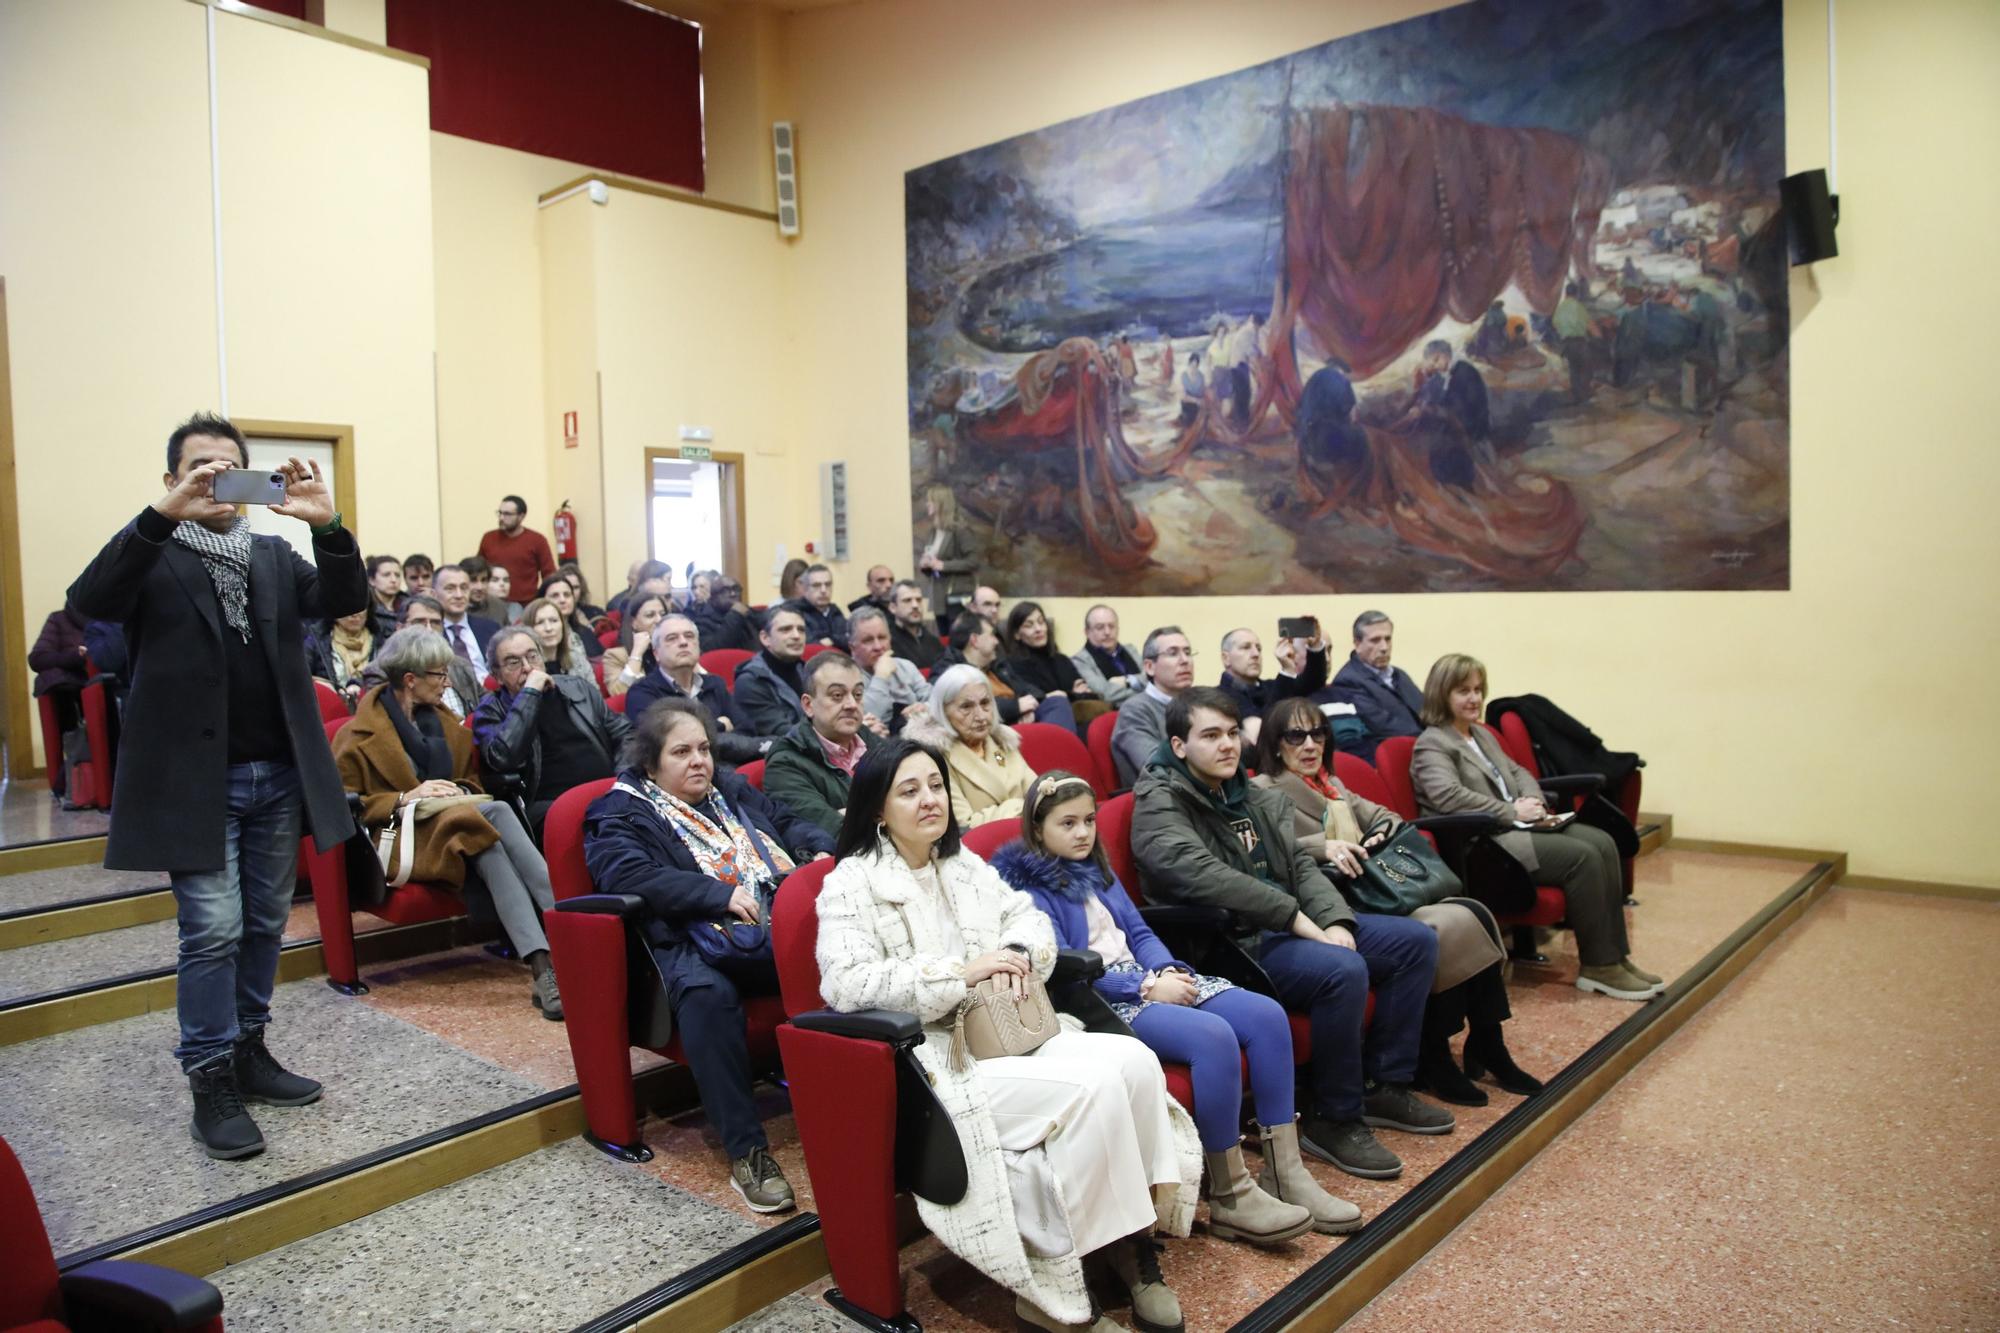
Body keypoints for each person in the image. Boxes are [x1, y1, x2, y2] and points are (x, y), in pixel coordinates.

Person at [816, 738, 1201, 1333]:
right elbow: (845, 983)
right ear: (876, 808)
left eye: (936, 786)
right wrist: (957, 973)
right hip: (933, 1058)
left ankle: (1131, 1243)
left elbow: (1027, 918)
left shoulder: (964, 864)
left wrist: (1017, 953)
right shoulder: (850, 883)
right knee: (1091, 1087)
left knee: (1134, 1062)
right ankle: (1058, 1282)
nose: (929, 800)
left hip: (1005, 1026)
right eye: (909, 790)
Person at [69, 413, 366, 1160]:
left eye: (228, 467)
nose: (215, 480)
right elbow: (91, 602)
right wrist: (158, 521)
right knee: (212, 928)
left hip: (277, 772)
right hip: (193, 782)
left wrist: (327, 527)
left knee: (265, 921)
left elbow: (342, 598)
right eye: (199, 468)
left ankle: (248, 1050)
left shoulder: (269, 553)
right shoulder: (151, 554)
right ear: (172, 480)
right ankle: (210, 1078)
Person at [994, 772, 1356, 1240]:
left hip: (1146, 980)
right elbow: (1064, 966)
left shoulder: (1095, 867)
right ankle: (1230, 1194)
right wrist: (1145, 987)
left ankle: (1285, 1172)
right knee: (1213, 1037)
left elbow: (1139, 933)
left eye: (1089, 820)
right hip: (1100, 1001)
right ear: (1037, 829)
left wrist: (1164, 971)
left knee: (1266, 1017)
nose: (1083, 833)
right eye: (1068, 823)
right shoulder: (1028, 890)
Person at [1133, 687, 1452, 1181]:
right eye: (1210, 735)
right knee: (1342, 970)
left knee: (1414, 943)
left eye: (1233, 733)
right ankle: (1332, 1117)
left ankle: (1384, 1085)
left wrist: (1337, 920)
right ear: (1179, 746)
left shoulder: (1246, 791)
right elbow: (1202, 874)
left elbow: (1300, 864)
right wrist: (1300, 921)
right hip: (1229, 944)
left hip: (1284, 930)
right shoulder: (1159, 800)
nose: (1227, 746)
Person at [584, 698, 833, 1211]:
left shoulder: (731, 789)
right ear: (651, 763)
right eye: (681, 752)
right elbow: (626, 875)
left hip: (766, 925)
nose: (698, 761)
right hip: (685, 938)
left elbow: (786, 822)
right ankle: (748, 1153)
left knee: (845, 951)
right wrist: (715, 893)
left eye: (703, 749)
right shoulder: (620, 809)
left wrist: (818, 850)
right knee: (707, 994)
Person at [1253, 698, 1542, 1105]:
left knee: (1473, 913)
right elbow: (1273, 850)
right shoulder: (1264, 790)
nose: (1309, 745)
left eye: (1318, 734)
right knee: (1442, 928)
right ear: (1275, 742)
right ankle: (1434, 1053)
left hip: (1373, 887)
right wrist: (1324, 845)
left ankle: (1488, 1039)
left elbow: (1388, 817)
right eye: (1296, 736)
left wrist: (1375, 836)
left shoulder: (1331, 785)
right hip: (1334, 898)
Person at [336, 629, 562, 1018]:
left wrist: (453, 790)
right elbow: (346, 806)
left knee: (487, 836)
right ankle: (567, 931)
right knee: (493, 819)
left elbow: (471, 782)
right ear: (411, 680)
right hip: (399, 837)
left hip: (454, 829)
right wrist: (408, 796)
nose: (447, 683)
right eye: (439, 675)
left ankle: (546, 968)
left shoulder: (446, 724)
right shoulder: (355, 735)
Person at [1411, 654, 1661, 1001]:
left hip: (1518, 827)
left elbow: (1518, 772)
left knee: (1603, 842)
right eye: (1463, 691)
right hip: (1484, 842)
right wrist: (1511, 809)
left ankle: (1618, 957)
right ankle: (1599, 966)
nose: (1474, 698)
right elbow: (1449, 798)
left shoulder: (1481, 736)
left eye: (1478, 690)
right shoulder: (1433, 743)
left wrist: (1533, 802)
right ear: (1442, 695)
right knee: (1583, 857)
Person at [473, 626, 631, 835]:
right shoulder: (490, 710)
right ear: (498, 676)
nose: (528, 668)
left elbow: (626, 734)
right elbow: (503, 757)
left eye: (533, 656)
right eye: (514, 662)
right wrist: (530, 693)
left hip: (607, 790)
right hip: (550, 806)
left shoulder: (577, 688)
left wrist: (623, 781)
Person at [624, 614, 770, 765]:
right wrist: (720, 726)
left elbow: (747, 730)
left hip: (730, 766)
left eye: (689, 636)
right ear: (656, 653)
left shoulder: (715, 684)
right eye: (672, 638)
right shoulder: (642, 693)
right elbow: (669, 746)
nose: (683, 642)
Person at [905, 664, 1038, 828]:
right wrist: (1023, 807)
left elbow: (1039, 794)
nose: (981, 716)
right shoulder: (934, 757)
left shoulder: (1002, 740)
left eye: (985, 703)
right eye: (966, 707)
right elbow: (964, 825)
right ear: (943, 711)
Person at [762, 651, 877, 838]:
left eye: (857, 694)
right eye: (837, 695)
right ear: (808, 705)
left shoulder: (871, 740)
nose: (851, 704)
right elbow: (838, 832)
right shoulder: (785, 763)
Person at [934, 612, 1075, 734]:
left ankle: (1058, 756)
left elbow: (1027, 688)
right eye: (992, 635)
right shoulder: (949, 670)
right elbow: (956, 708)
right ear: (975, 640)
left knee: (1056, 702)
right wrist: (1016, 708)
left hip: (1022, 720)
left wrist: (1028, 707)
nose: (997, 641)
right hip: (992, 730)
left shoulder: (997, 665)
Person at [1326, 610, 1425, 762]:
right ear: (1357, 644)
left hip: (1425, 749)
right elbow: (1384, 727)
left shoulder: (1399, 675)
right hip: (1398, 758)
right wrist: (1434, 739)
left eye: (1388, 639)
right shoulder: (1348, 681)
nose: (1384, 647)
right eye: (1375, 640)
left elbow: (1427, 711)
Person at [1108, 626, 1194, 788]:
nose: (1185, 660)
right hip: (1163, 799)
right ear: (1149, 667)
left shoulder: (1200, 704)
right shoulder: (1135, 710)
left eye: (1188, 652)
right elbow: (1157, 767)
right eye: (1173, 653)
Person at [1216, 623, 1328, 742]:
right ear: (1225, 658)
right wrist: (1286, 672)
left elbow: (1313, 682)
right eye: (1245, 647)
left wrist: (1315, 646)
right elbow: (1262, 736)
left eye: (1258, 648)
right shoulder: (1219, 697)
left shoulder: (1272, 685)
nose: (1256, 654)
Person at [1004, 602, 1104, 730]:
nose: (1038, 629)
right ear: (1017, 634)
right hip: (1045, 725)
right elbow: (1035, 700)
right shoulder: (1013, 665)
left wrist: (1064, 694)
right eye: (1029, 625)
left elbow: (1090, 695)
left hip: (1077, 720)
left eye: (1041, 622)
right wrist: (1071, 694)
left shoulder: (1062, 660)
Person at [732, 604, 810, 737]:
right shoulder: (750, 681)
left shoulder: (808, 670)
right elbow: (785, 733)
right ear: (765, 638)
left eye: (801, 630)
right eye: (786, 630)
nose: (797, 636)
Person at [916, 484, 977, 627]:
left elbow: (973, 562)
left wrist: (943, 565)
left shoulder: (961, 530)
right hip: (938, 597)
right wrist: (926, 565)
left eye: (930, 500)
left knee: (957, 637)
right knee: (944, 638)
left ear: (940, 503)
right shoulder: (934, 531)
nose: (927, 504)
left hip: (957, 596)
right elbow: (934, 564)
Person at [478, 495, 557, 601]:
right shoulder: (488, 538)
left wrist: (542, 602)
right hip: (492, 603)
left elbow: (549, 575)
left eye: (507, 514)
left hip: (526, 605)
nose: (501, 518)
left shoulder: (537, 540)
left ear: (521, 516)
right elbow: (478, 570)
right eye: (500, 513)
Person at [29, 604, 90, 737]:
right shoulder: (59, 620)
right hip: (72, 689)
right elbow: (37, 658)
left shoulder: (114, 619)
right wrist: (75, 657)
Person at [432, 564, 499, 683]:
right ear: (434, 594)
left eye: (464, 588)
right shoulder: (430, 633)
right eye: (450, 588)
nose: (459, 595)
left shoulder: (490, 628)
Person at [305, 607, 382, 707]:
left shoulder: (381, 640)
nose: (355, 615)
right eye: (348, 608)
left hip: (371, 708)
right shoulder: (316, 639)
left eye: (361, 608)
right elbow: (300, 673)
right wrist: (322, 685)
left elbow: (384, 675)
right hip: (329, 707)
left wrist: (358, 684)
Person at [1070, 604, 1144, 708]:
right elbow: (1105, 693)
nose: (1107, 632)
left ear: (1118, 628)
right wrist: (1144, 689)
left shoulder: (1131, 650)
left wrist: (1127, 680)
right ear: (1087, 632)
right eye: (1100, 627)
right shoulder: (1080, 661)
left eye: (1111, 626)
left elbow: (1153, 679)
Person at [600, 591, 671, 697]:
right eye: (650, 615)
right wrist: (636, 654)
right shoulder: (615, 656)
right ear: (634, 623)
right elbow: (618, 694)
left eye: (663, 614)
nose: (659, 620)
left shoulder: (673, 649)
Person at [523, 596, 593, 684]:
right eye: (540, 622)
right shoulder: (525, 668)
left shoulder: (578, 661)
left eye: (553, 621)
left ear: (562, 626)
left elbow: (595, 696)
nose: (548, 628)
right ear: (529, 629)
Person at [686, 574, 760, 654]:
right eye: (725, 590)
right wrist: (734, 615)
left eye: (736, 589)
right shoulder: (701, 622)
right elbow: (716, 649)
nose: (733, 594)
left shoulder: (744, 610)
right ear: (713, 597)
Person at [538, 575, 603, 660]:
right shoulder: (534, 636)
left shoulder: (585, 632)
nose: (562, 600)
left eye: (567, 595)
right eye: (555, 595)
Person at [886, 578, 945, 671]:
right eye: (907, 600)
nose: (915, 605)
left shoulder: (933, 641)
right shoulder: (887, 643)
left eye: (918, 600)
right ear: (893, 607)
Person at [790, 563, 849, 648]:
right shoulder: (795, 613)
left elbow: (851, 642)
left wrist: (832, 640)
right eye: (816, 585)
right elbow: (809, 645)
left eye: (828, 584)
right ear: (805, 589)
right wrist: (838, 641)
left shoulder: (835, 612)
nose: (823, 590)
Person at [364, 554, 405, 639]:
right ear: (371, 580)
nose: (393, 580)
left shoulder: (409, 606)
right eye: (386, 575)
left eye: (397, 575)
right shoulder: (364, 607)